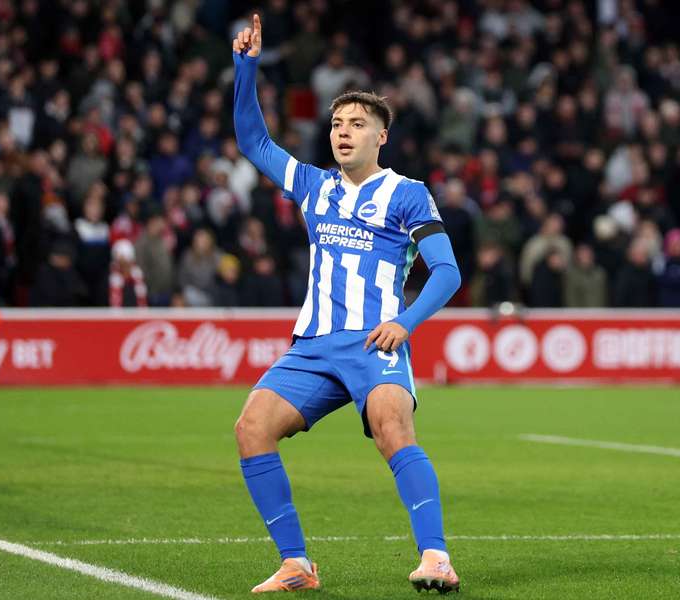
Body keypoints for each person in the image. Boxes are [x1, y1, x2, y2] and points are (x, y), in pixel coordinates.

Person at [232, 15, 461, 594]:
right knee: (251, 427)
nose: (343, 131)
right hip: (312, 347)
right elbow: (253, 141)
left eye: (358, 123)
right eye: (337, 123)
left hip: (371, 341)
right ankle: (295, 565)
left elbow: (448, 272)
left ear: (381, 136)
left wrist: (403, 323)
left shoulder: (406, 193)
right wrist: (246, 68)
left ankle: (435, 558)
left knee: (392, 429)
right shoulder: (312, 186)